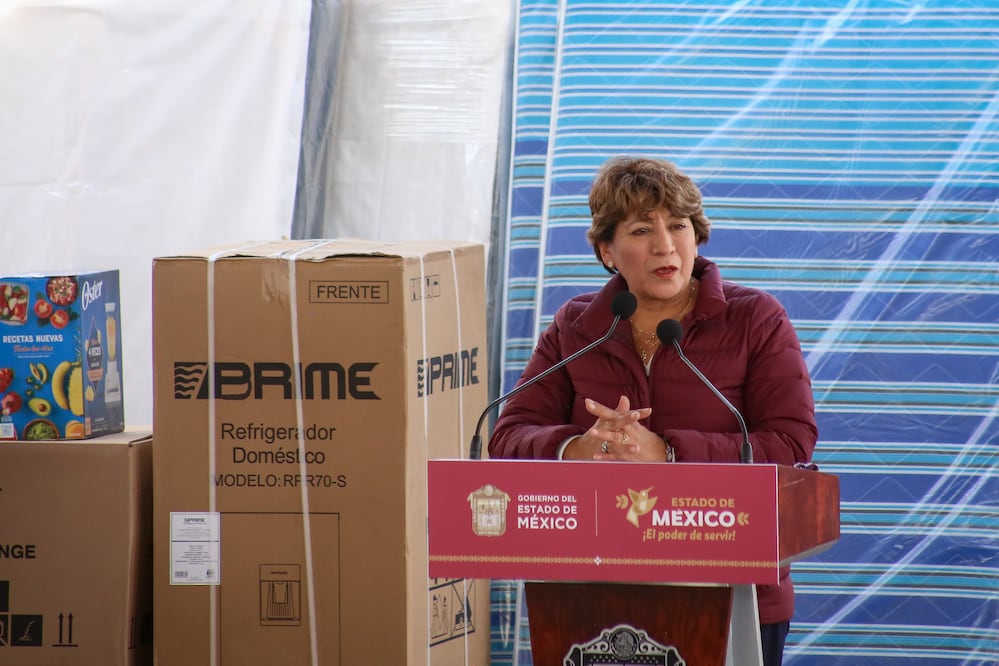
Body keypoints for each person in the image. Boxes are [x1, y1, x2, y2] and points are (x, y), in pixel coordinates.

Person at [488, 155, 817, 666]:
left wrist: (666, 453)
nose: (665, 246)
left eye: (678, 226)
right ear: (607, 250)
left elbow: (790, 443)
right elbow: (508, 434)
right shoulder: (576, 327)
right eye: (642, 230)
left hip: (733, 590)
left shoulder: (756, 319)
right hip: (588, 588)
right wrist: (577, 448)